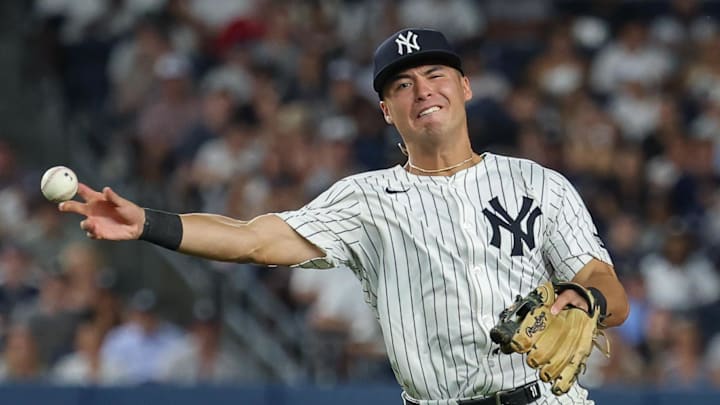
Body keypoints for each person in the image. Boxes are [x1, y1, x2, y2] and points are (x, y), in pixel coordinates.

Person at [59, 28, 629, 404]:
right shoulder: (364, 199)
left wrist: (586, 300)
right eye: (402, 85)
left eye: (435, 76)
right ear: (386, 111)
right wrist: (147, 222)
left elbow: (607, 285)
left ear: (465, 86)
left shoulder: (538, 182)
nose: (422, 90)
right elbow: (256, 239)